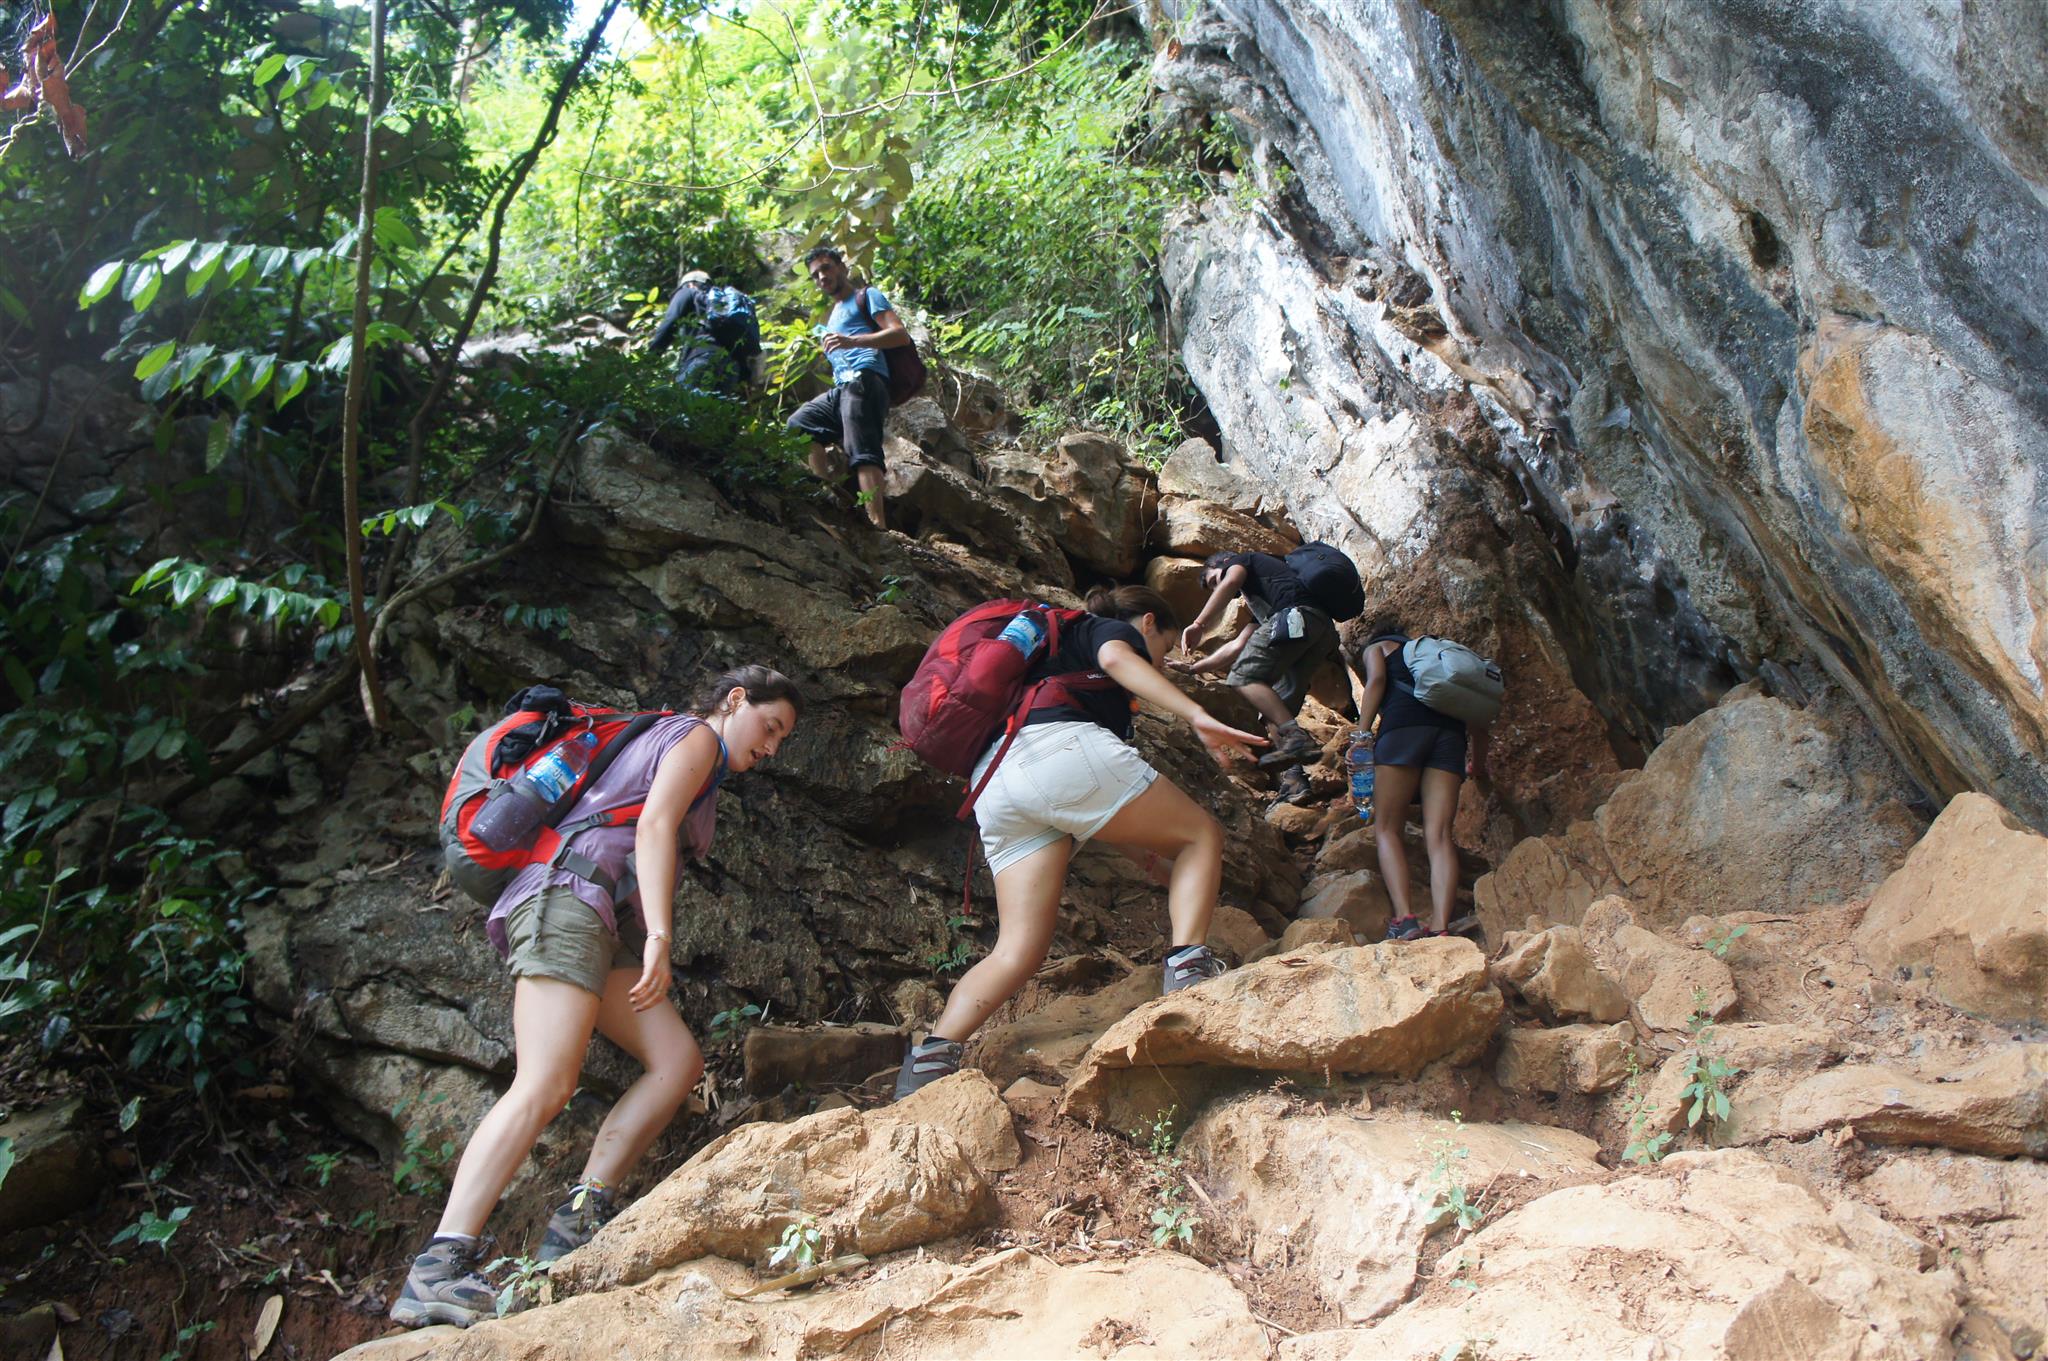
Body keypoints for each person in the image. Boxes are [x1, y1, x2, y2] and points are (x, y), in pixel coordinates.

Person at [391, 666, 804, 1329]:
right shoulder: (695, 738)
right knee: (546, 1083)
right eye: (770, 727)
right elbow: (653, 827)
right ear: (734, 701)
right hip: (565, 900)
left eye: (781, 738)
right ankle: (439, 1263)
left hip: (596, 915)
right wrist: (661, 937)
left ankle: (580, 1215)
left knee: (676, 1061)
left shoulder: (691, 756)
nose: (772, 748)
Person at [894, 586, 1267, 1100]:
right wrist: (1194, 713)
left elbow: (1108, 819)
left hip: (996, 782)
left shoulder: (1045, 659)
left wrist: (1165, 862)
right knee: (1203, 834)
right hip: (1055, 747)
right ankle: (1189, 973)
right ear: (1149, 623)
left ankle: (928, 1064)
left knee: (1017, 949)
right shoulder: (1103, 630)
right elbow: (1117, 658)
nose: (1160, 661)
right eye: (1164, 648)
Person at [1347, 625, 1488, 940]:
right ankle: (1440, 927)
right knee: (1438, 835)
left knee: (1386, 828)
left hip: (1402, 732)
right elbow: (1480, 720)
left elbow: (1378, 681)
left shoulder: (1379, 648)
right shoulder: (1442, 661)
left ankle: (1405, 919)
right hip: (1450, 740)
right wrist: (1476, 765)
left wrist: (1362, 733)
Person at [1170, 549, 1340, 803]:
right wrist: (1195, 668)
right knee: (1273, 711)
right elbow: (1238, 645)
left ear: (1223, 563)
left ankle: (1297, 738)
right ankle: (1294, 782)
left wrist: (1199, 624)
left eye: (1215, 581)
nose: (1222, 590)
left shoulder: (1241, 561)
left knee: (1242, 676)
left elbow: (1231, 581)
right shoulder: (1266, 594)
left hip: (1294, 618)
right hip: (1318, 630)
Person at [785, 245, 910, 530]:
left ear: (842, 267)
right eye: (815, 275)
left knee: (862, 448)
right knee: (800, 425)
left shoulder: (866, 296)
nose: (821, 278)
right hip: (843, 387)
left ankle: (877, 523)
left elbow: (899, 334)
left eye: (826, 268)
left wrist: (852, 341)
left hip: (865, 380)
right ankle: (828, 498)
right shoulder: (833, 315)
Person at [646, 269, 762, 397]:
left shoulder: (688, 291)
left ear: (691, 283)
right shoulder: (721, 307)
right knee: (714, 413)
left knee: (687, 411)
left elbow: (670, 321)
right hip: (731, 368)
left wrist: (650, 358)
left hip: (702, 358)